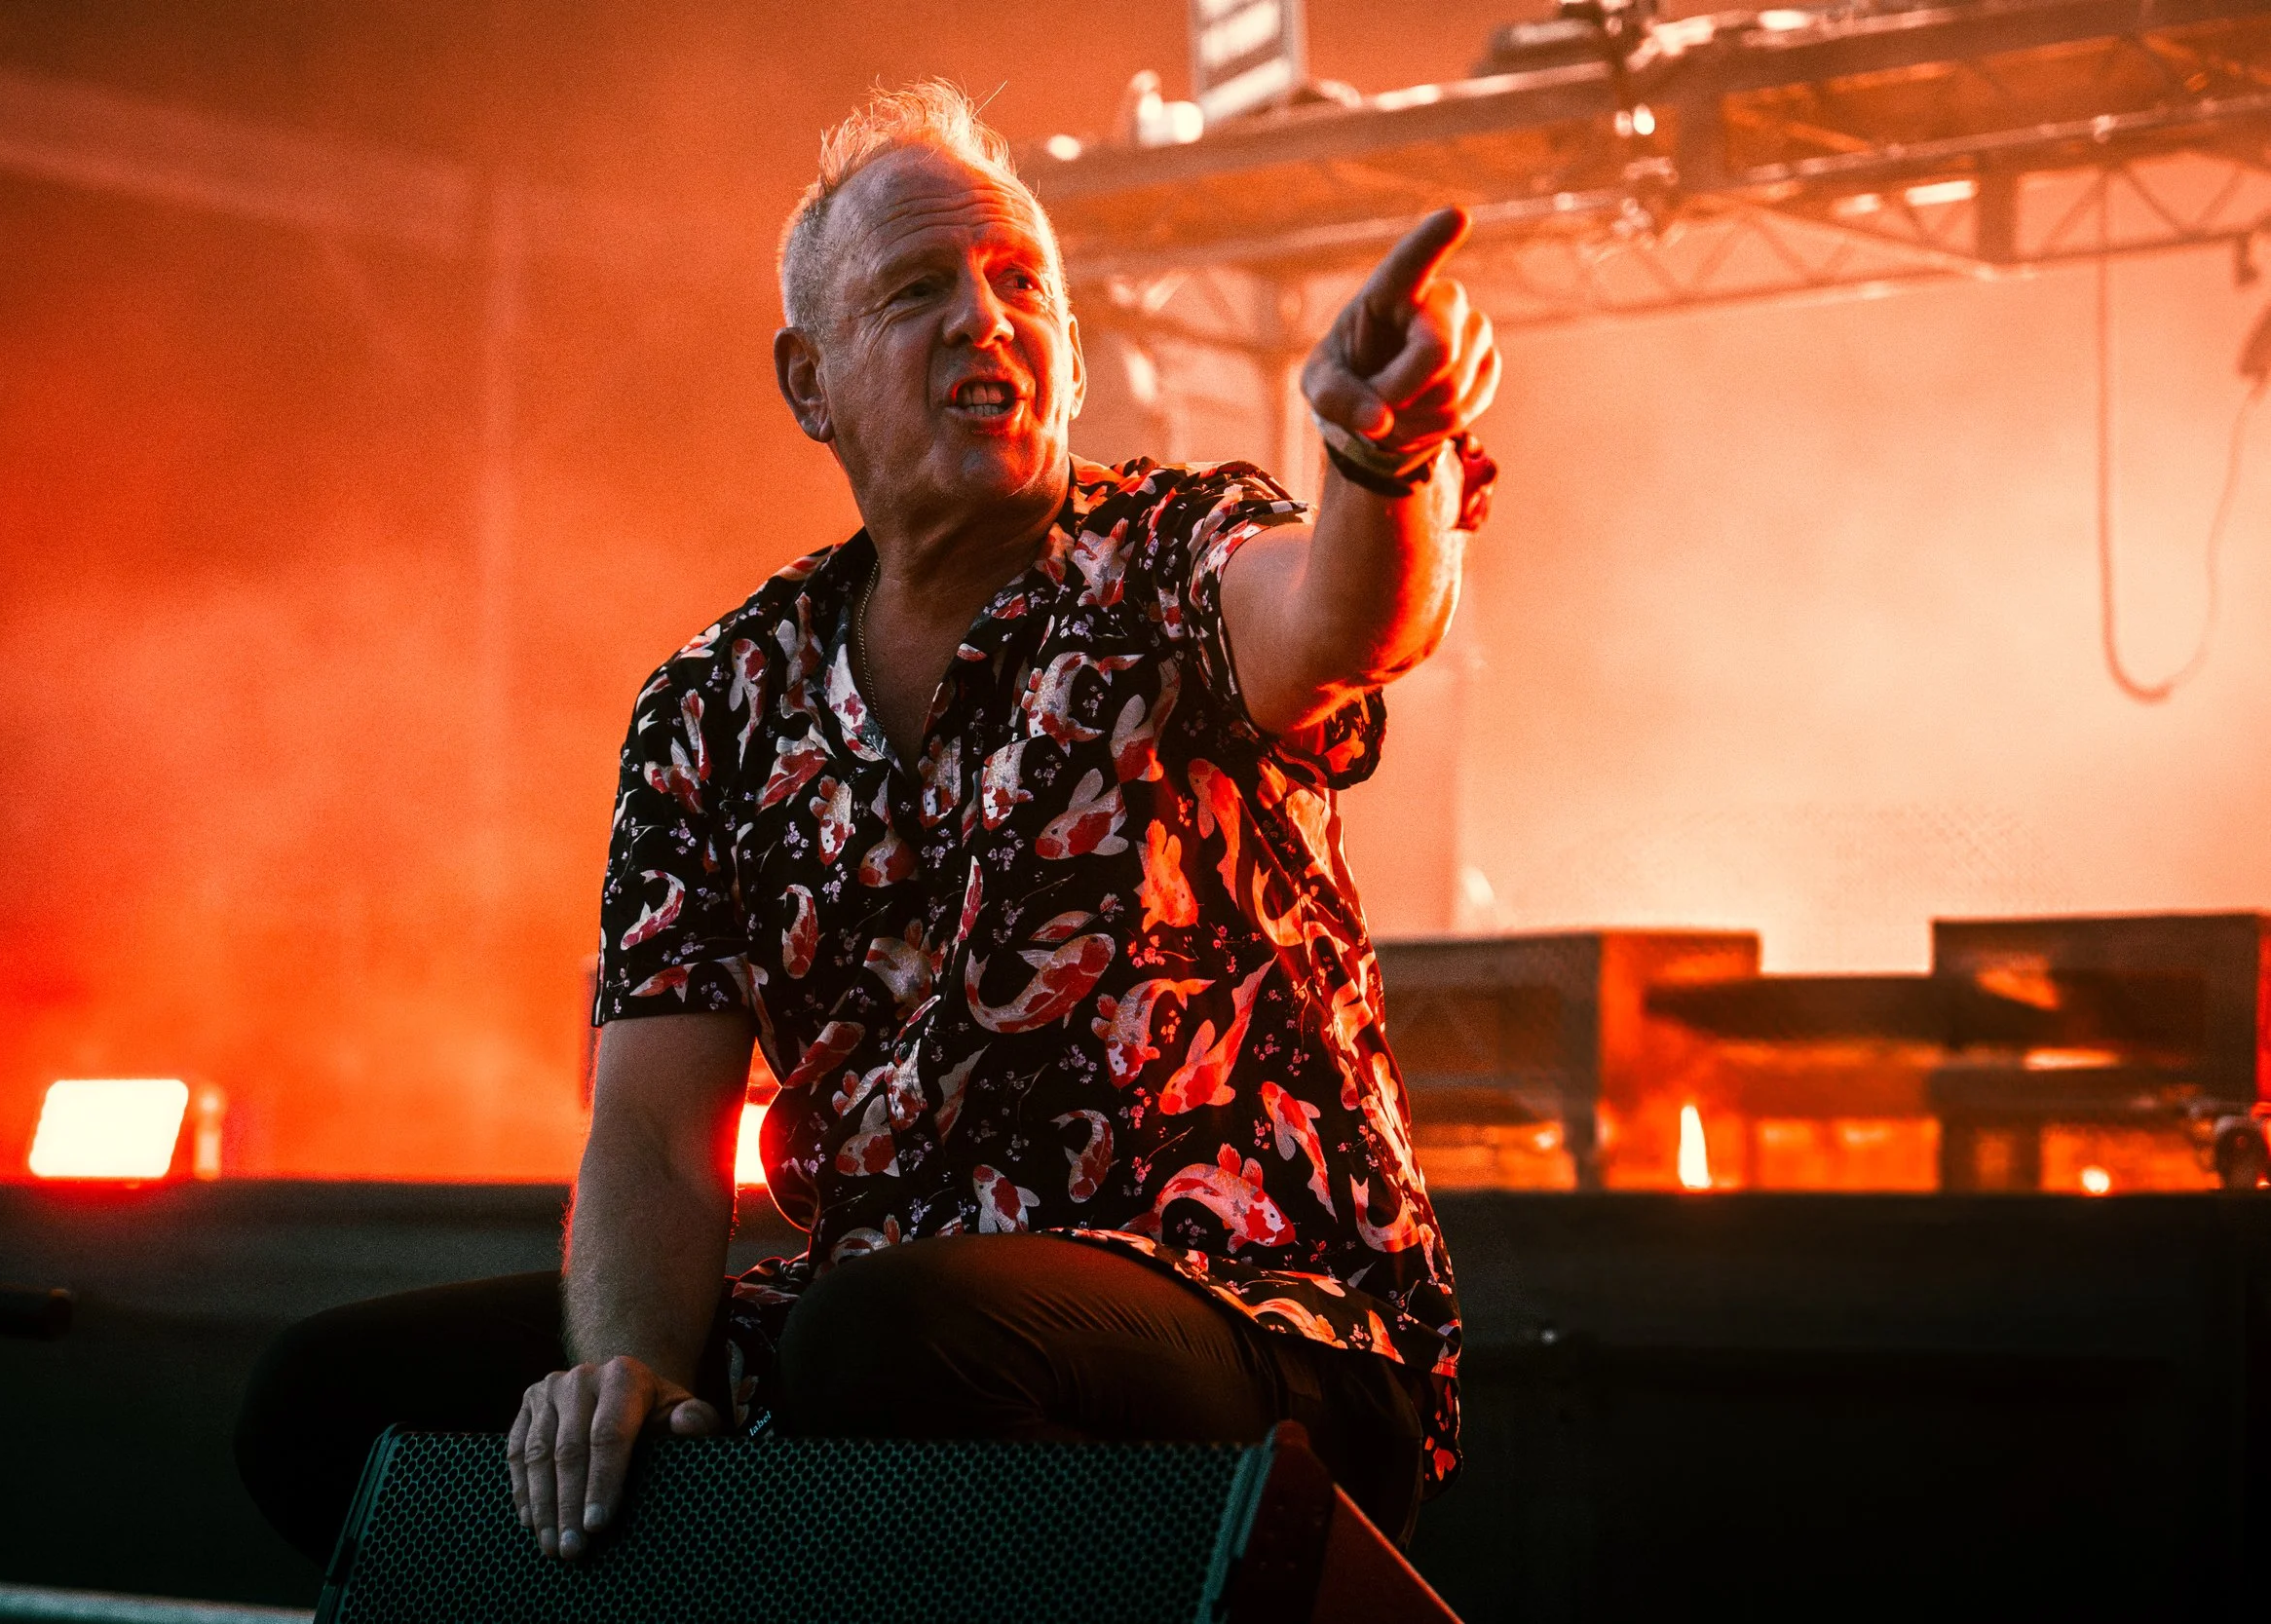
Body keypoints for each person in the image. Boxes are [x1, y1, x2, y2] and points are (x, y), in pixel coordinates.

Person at [234, 81, 1499, 1567]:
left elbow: (1343, 619)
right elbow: (654, 1125)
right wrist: (630, 1372)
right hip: (888, 1327)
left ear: (1068, 348)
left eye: (1022, 283)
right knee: (327, 1401)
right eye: (917, 290)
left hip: (1268, 1322)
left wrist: (1381, 461)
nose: (986, 319)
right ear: (808, 382)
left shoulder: (1167, 551)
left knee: (886, 1340)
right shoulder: (718, 703)